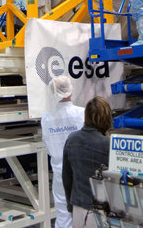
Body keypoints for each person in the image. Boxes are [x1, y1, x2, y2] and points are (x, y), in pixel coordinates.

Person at [41, 76, 84, 228]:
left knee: (63, 213)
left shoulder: (46, 119)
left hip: (59, 172)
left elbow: (47, 145)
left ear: (53, 92)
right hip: (81, 172)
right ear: (70, 90)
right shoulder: (82, 114)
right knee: (85, 213)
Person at [62, 96, 112, 228]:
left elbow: (66, 178)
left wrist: (70, 206)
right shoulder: (108, 144)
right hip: (100, 212)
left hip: (78, 209)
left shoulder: (72, 139)